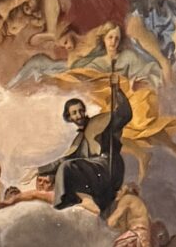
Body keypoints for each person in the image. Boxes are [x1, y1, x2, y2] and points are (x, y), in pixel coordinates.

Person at [49, 82, 132, 216]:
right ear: (69, 117)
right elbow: (61, 160)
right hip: (95, 175)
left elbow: (125, 114)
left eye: (81, 110)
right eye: (74, 113)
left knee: (67, 167)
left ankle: (86, 201)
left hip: (107, 167)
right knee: (66, 170)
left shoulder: (101, 123)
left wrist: (117, 90)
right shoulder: (78, 141)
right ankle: (68, 209)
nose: (79, 115)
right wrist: (38, 170)